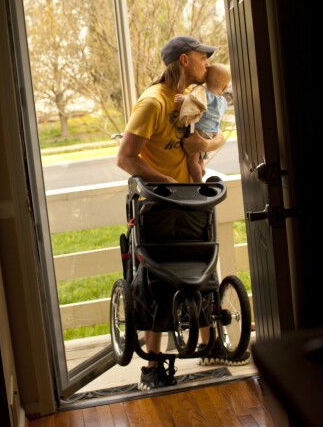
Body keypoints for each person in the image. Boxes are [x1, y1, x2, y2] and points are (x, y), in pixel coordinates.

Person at [117, 35, 248, 391]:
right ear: (186, 60)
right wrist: (168, 186)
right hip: (159, 205)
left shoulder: (199, 99)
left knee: (201, 270)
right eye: (204, 59)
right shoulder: (152, 103)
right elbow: (125, 158)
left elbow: (218, 133)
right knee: (157, 281)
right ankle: (153, 365)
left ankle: (210, 343)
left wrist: (204, 145)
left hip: (191, 200)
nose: (208, 66)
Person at [174, 63, 232, 182]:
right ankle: (201, 170)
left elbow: (194, 101)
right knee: (199, 160)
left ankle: (198, 182)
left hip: (199, 131)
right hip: (211, 133)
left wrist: (184, 99)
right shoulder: (222, 102)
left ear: (205, 78)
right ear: (225, 87)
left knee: (192, 161)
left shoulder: (204, 94)